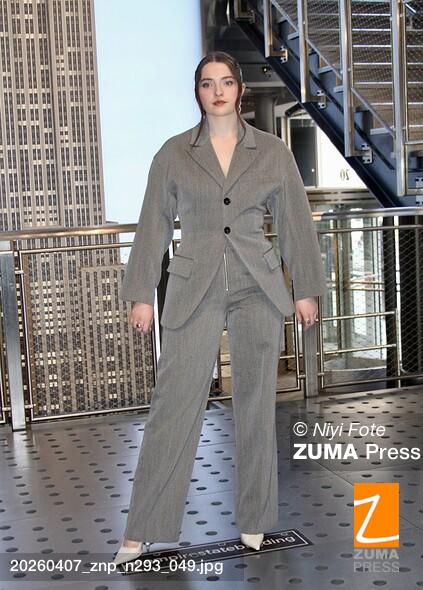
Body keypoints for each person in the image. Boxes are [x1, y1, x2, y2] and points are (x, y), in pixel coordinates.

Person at [113, 51, 327, 565]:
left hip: (258, 286)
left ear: (239, 89)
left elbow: (295, 222)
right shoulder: (174, 153)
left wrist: (305, 288)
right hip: (194, 288)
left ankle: (255, 518)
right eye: (207, 83)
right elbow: (153, 223)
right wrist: (141, 292)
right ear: (198, 92)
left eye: (226, 82)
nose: (217, 91)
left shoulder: (272, 152)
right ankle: (142, 529)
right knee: (173, 406)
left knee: (255, 407)